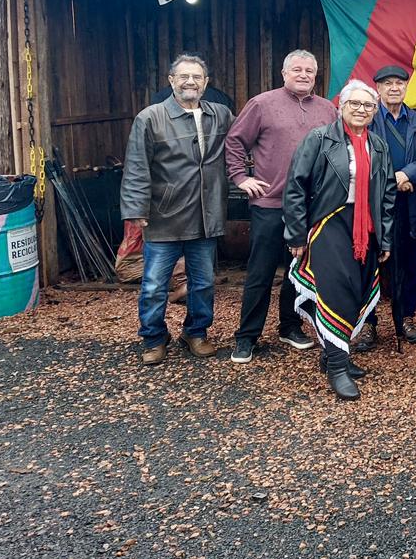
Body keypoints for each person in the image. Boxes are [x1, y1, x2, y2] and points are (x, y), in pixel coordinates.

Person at [284, 80, 395, 400]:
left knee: (358, 290)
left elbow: (386, 195)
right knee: (336, 291)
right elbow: (295, 188)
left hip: (365, 228)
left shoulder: (378, 145)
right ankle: (336, 366)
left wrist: (385, 239)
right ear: (341, 106)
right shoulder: (319, 139)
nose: (362, 110)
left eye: (368, 106)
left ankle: (335, 351)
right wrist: (296, 233)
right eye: (355, 104)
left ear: (375, 111)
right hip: (328, 224)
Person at [121, 54, 234, 365]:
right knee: (155, 283)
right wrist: (135, 209)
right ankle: (154, 338)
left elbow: (242, 144)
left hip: (205, 215)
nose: (190, 82)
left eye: (197, 77)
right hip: (163, 215)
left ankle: (196, 333)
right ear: (171, 80)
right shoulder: (151, 117)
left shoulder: (220, 115)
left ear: (206, 83)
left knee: (203, 282)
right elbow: (136, 167)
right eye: (183, 76)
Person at [227, 49, 336, 364]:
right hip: (270, 203)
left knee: (298, 271)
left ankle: (290, 326)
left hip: (312, 206)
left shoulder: (328, 110)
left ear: (316, 76)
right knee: (260, 272)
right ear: (284, 73)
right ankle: (247, 337)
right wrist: (240, 177)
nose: (303, 75)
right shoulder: (262, 104)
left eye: (309, 71)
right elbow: (235, 141)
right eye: (297, 70)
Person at [365, 65, 416, 352]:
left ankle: (406, 317)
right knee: (368, 264)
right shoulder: (366, 119)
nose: (394, 88)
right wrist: (392, 179)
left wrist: (409, 174)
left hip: (410, 203)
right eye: (387, 84)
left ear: (407, 87)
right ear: (378, 89)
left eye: (399, 83)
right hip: (373, 204)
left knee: (408, 262)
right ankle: (367, 324)